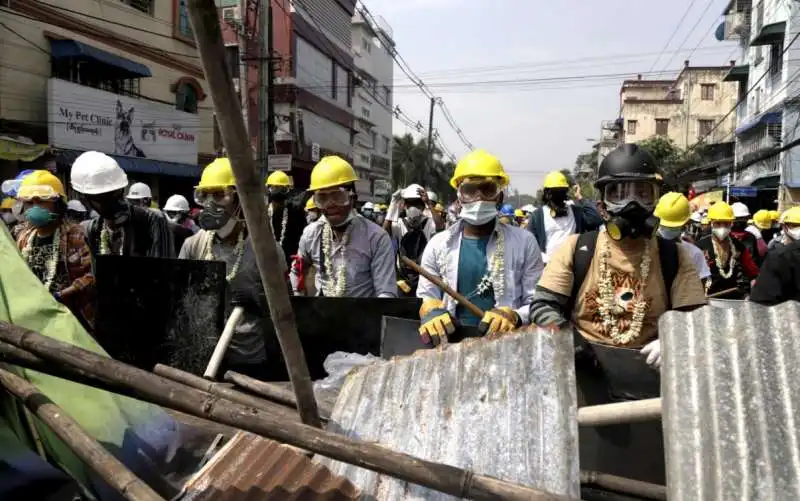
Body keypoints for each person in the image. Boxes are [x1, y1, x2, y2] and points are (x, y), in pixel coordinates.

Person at [529, 144, 707, 371]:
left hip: (651, 373)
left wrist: (674, 340)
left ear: (655, 202)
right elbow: (542, 306)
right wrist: (572, 342)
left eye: (643, 194)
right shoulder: (576, 249)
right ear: (602, 206)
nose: (632, 205)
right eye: (619, 194)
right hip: (584, 373)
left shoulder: (675, 256)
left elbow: (696, 318)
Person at [417, 149, 544, 344]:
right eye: (469, 190)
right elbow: (427, 295)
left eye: (487, 189)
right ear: (459, 197)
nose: (479, 197)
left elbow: (536, 302)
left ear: (499, 197)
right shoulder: (437, 245)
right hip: (452, 345)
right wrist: (430, 309)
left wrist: (515, 316)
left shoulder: (525, 242)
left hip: (506, 344)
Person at [179, 157, 273, 379]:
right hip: (203, 351)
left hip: (247, 355)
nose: (211, 204)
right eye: (205, 195)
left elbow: (284, 306)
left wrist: (258, 300)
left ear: (240, 199)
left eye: (219, 195)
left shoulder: (265, 249)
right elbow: (181, 298)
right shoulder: (193, 245)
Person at [290, 156, 396, 297]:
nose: (330, 204)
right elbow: (297, 270)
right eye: (322, 198)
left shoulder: (376, 238)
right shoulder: (311, 234)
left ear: (353, 197)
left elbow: (386, 293)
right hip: (322, 315)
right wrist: (299, 298)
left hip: (364, 315)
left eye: (338, 196)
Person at [15, 171, 96, 331]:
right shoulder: (23, 236)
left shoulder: (76, 235)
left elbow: (91, 277)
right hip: (34, 317)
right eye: (29, 203)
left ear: (58, 204)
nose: (34, 208)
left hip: (71, 319)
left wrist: (60, 295)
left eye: (41, 202)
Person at [70, 151, 174, 258]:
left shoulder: (152, 220)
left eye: (115, 193)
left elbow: (163, 272)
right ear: (86, 201)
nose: (112, 201)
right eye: (102, 198)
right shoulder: (92, 230)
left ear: (122, 189)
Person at [526, 171, 603, 264]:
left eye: (561, 191)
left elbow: (596, 219)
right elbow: (530, 244)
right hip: (548, 267)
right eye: (555, 192)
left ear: (565, 193)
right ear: (547, 194)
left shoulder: (575, 212)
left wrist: (579, 197)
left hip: (573, 267)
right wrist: (546, 261)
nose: (558, 195)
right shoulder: (537, 216)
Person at [696, 201, 759, 299]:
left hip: (733, 300)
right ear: (711, 223)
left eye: (726, 224)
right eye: (718, 223)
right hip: (707, 299)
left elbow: (753, 273)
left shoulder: (738, 246)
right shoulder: (700, 246)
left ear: (731, 224)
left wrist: (752, 292)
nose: (723, 227)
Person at [385, 184, 439, 296]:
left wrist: (429, 203)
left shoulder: (428, 223)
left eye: (417, 204)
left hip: (424, 278)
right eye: (410, 204)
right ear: (405, 205)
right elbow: (385, 232)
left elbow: (440, 227)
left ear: (422, 207)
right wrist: (393, 204)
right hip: (403, 279)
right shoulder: (400, 224)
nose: (413, 207)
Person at [653, 192, 711, 284]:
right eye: (666, 226)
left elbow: (699, 289)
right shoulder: (644, 250)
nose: (670, 229)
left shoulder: (694, 253)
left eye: (673, 226)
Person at [750, 207, 800, 304]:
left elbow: (762, 301)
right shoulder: (778, 254)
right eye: (795, 225)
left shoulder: (778, 256)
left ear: (784, 227)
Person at [265, 170, 305, 267]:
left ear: (287, 190)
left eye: (281, 189)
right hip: (269, 261)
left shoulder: (295, 211)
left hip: (290, 263)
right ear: (269, 189)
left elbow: (301, 237)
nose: (277, 191)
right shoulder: (264, 213)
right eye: (274, 188)